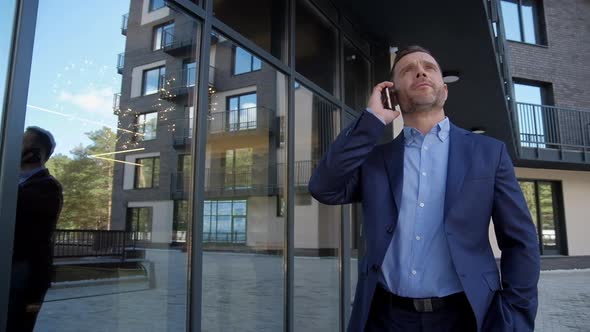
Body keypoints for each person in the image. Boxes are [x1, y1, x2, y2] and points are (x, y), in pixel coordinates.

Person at [309, 45, 540, 331]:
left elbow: (520, 242)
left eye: (429, 67)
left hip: (466, 315)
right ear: (392, 95)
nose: (420, 71)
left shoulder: (488, 153)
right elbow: (324, 187)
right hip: (384, 317)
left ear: (444, 88)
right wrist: (371, 121)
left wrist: (515, 317)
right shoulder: (376, 161)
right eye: (407, 70)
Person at [7, 126, 63, 332]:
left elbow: (17, 207)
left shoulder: (48, 187)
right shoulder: (13, 181)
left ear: (34, 153)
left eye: (21, 144)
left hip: (25, 272)